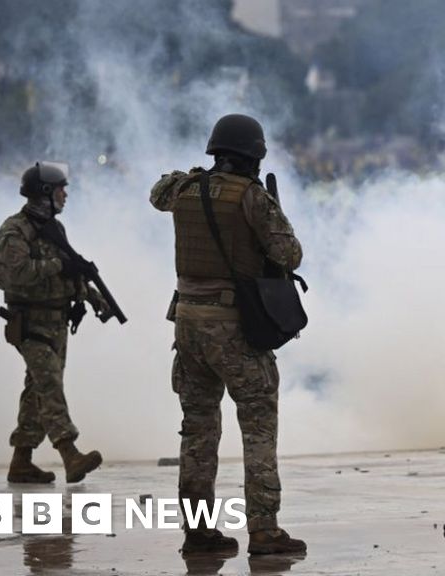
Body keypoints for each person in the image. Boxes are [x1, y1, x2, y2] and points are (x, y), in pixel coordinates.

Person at [150, 114, 305, 556]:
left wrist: (196, 176)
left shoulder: (184, 188)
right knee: (257, 425)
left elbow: (156, 191)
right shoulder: (252, 197)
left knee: (197, 430)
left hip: (187, 324)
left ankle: (198, 532)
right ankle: (264, 530)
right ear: (254, 156)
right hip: (232, 325)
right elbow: (289, 253)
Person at [0, 162, 105, 484]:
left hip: (56, 322)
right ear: (45, 194)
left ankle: (22, 461)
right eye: (60, 189)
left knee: (37, 391)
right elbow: (12, 274)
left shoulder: (53, 228)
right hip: (30, 324)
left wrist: (94, 298)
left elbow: (69, 273)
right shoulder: (15, 230)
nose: (65, 195)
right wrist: (58, 265)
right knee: (50, 387)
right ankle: (70, 454)